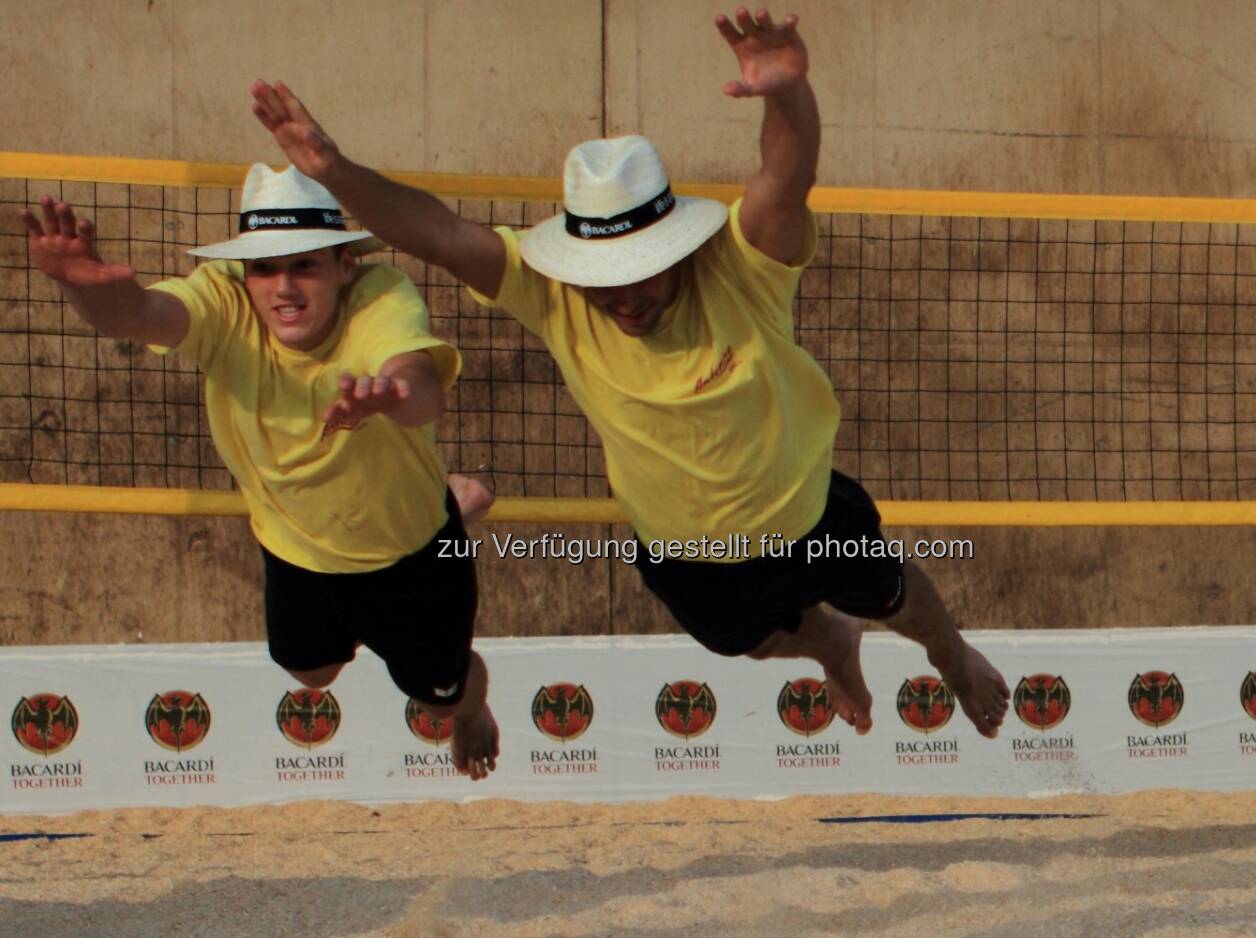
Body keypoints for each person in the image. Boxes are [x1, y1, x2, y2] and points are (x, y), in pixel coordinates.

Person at [250, 6, 1010, 738]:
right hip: (682, 550)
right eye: (602, 276)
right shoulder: (555, 293)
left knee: (899, 598)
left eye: (639, 272)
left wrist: (787, 93)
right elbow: (439, 233)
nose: (622, 298)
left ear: (675, 247)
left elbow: (785, 173)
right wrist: (333, 170)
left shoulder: (741, 268)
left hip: (806, 516)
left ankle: (955, 658)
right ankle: (828, 645)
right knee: (739, 641)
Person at [20, 164, 501, 778]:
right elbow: (135, 313)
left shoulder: (380, 294)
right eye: (266, 267)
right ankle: (456, 501)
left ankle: (469, 703)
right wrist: (81, 285)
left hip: (413, 553)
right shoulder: (221, 299)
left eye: (304, 264)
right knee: (312, 673)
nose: (285, 287)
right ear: (243, 273)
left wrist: (392, 398)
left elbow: (423, 383)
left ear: (344, 266)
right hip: (298, 546)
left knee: (441, 695)